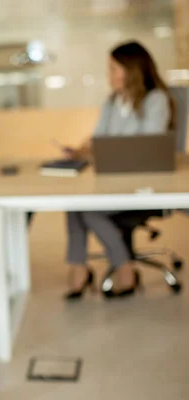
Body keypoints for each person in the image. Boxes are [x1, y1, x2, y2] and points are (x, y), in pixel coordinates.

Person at [62, 41, 174, 300]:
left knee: (88, 211)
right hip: (110, 181)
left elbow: (148, 144)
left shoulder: (155, 100)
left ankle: (124, 267)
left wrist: (106, 147)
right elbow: (100, 138)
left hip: (144, 185)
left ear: (132, 70)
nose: (109, 75)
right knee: (74, 204)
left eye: (114, 68)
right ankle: (79, 267)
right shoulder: (112, 101)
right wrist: (84, 148)